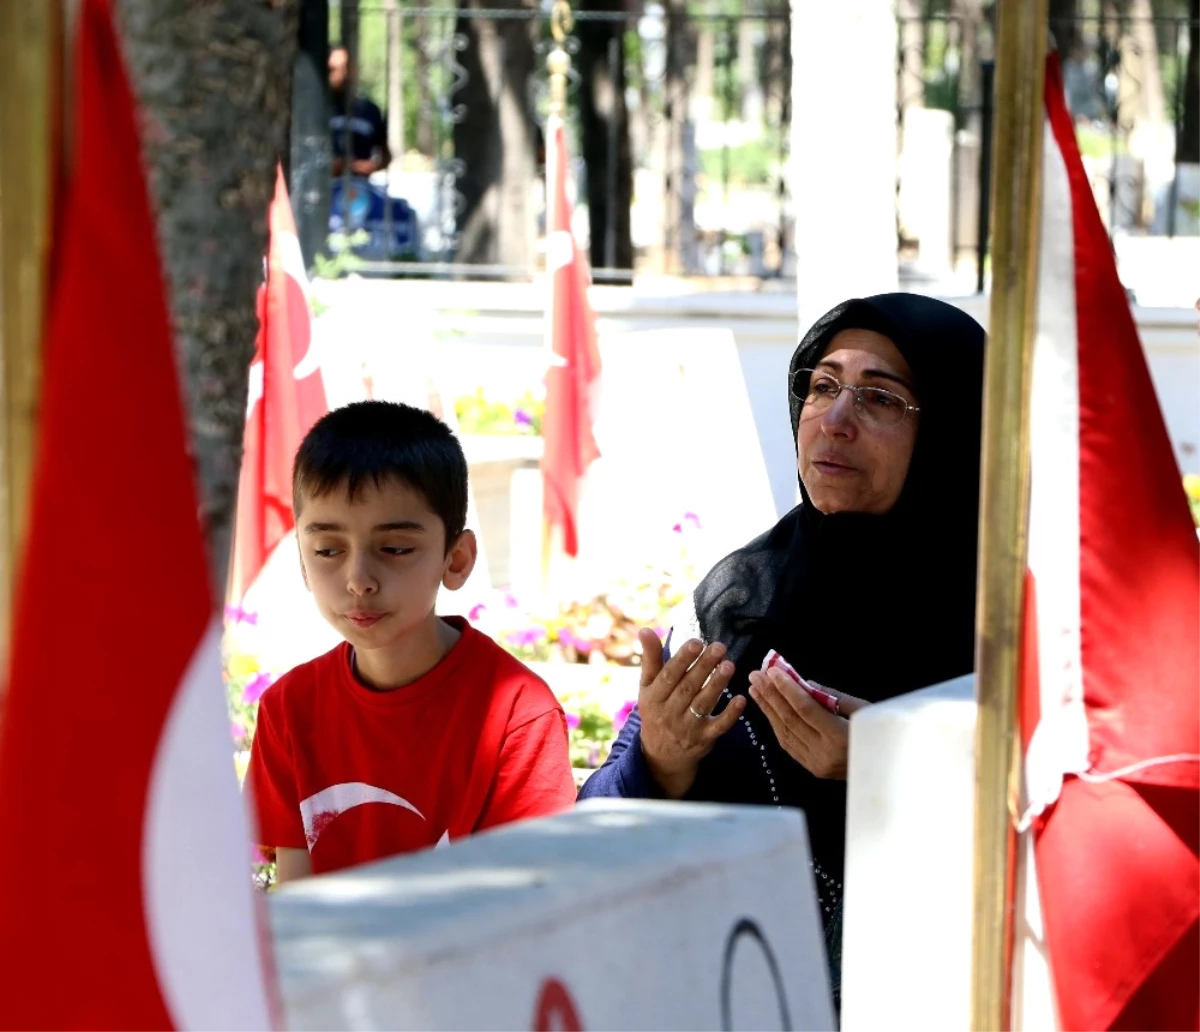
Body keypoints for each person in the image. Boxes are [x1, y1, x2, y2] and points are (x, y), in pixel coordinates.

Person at [579, 294, 986, 1001]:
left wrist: (894, 762)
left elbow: (1071, 845)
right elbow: (598, 823)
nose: (834, 420)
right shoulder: (737, 602)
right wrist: (659, 764)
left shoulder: (1013, 627)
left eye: (881, 399)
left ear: (954, 429)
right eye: (822, 386)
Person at [246, 401, 576, 883]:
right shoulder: (288, 709)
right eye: (327, 550)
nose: (359, 579)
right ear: (301, 558)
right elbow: (298, 905)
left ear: (457, 559)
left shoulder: (517, 715)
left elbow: (523, 904)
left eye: (396, 549)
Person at [328, 43, 390, 177]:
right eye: (333, 69)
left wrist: (372, 166)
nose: (341, 75)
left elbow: (385, 156)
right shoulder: (314, 111)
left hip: (361, 190)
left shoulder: (370, 110)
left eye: (345, 68)